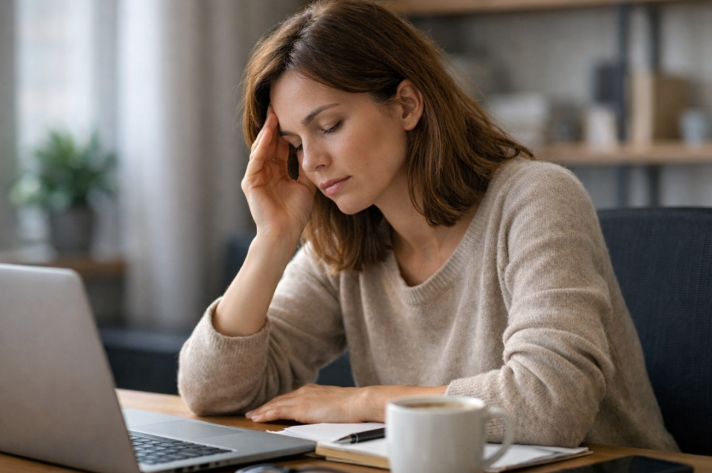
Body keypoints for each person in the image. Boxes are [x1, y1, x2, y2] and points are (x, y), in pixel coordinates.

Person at [178, 0, 678, 451]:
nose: (311, 162)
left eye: (328, 126)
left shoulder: (537, 197)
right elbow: (210, 391)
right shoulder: (345, 243)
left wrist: (362, 402)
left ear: (406, 105)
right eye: (294, 144)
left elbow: (550, 404)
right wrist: (273, 240)